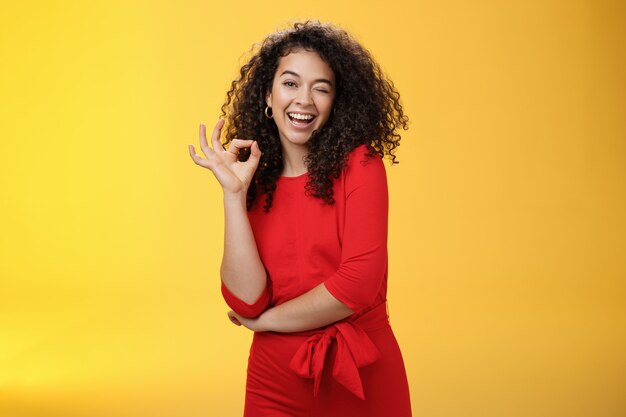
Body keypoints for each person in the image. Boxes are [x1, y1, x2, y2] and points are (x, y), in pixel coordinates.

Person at [188, 20, 411, 417]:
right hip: (275, 384)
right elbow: (245, 299)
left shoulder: (361, 164)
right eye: (290, 84)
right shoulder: (254, 182)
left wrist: (264, 322)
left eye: (320, 88)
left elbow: (356, 286)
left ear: (335, 102)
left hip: (363, 379)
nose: (304, 99)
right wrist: (234, 195)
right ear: (268, 98)